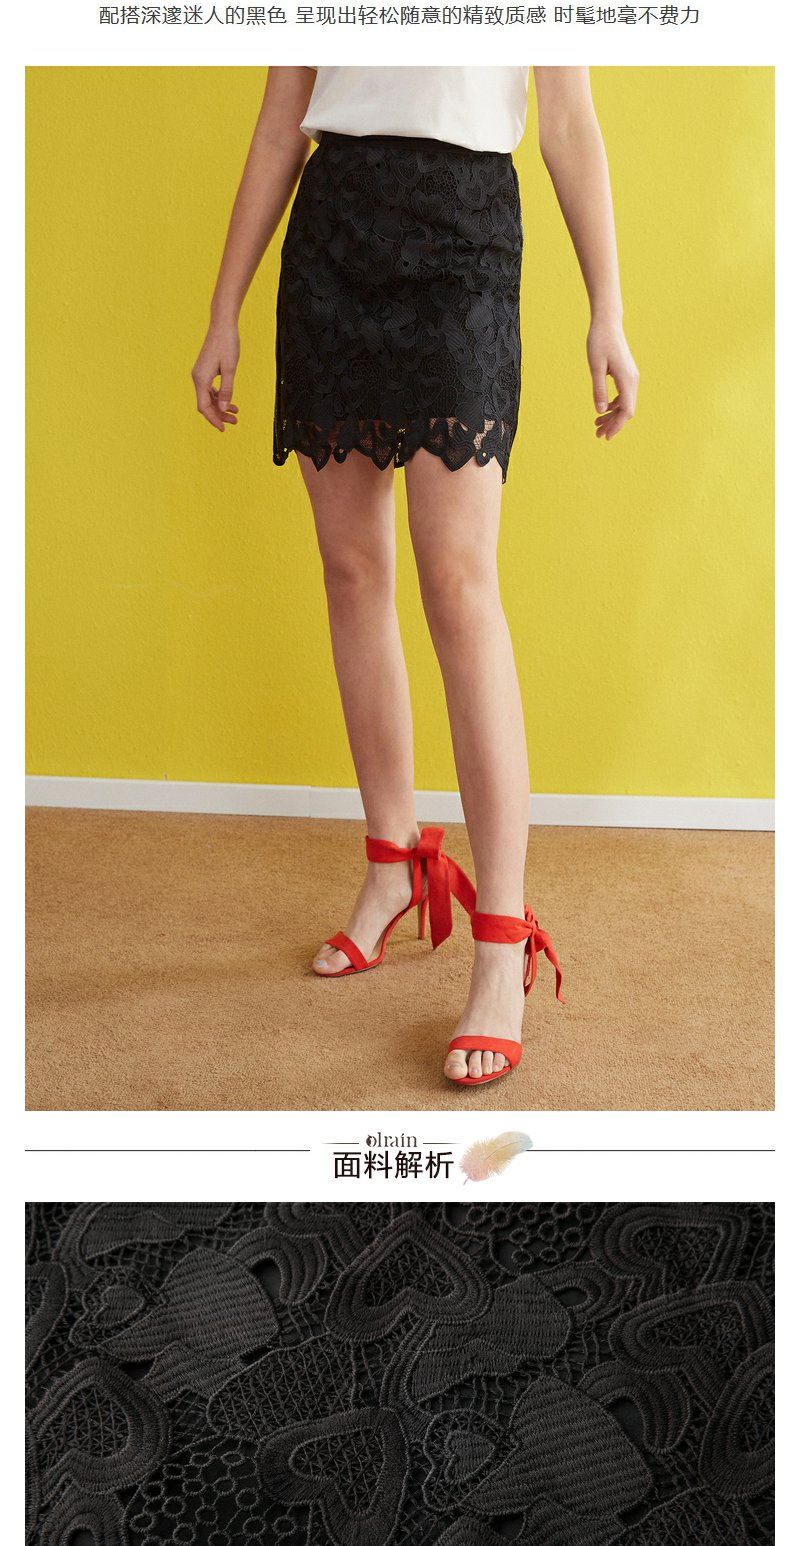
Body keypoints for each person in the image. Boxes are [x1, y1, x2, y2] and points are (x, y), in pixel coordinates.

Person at [191, 66, 638, 1088]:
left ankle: (500, 941)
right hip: (333, 235)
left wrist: (606, 309)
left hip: (464, 235)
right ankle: (391, 862)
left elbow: (568, 121)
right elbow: (279, 125)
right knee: (351, 571)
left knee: (458, 583)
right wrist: (224, 311)